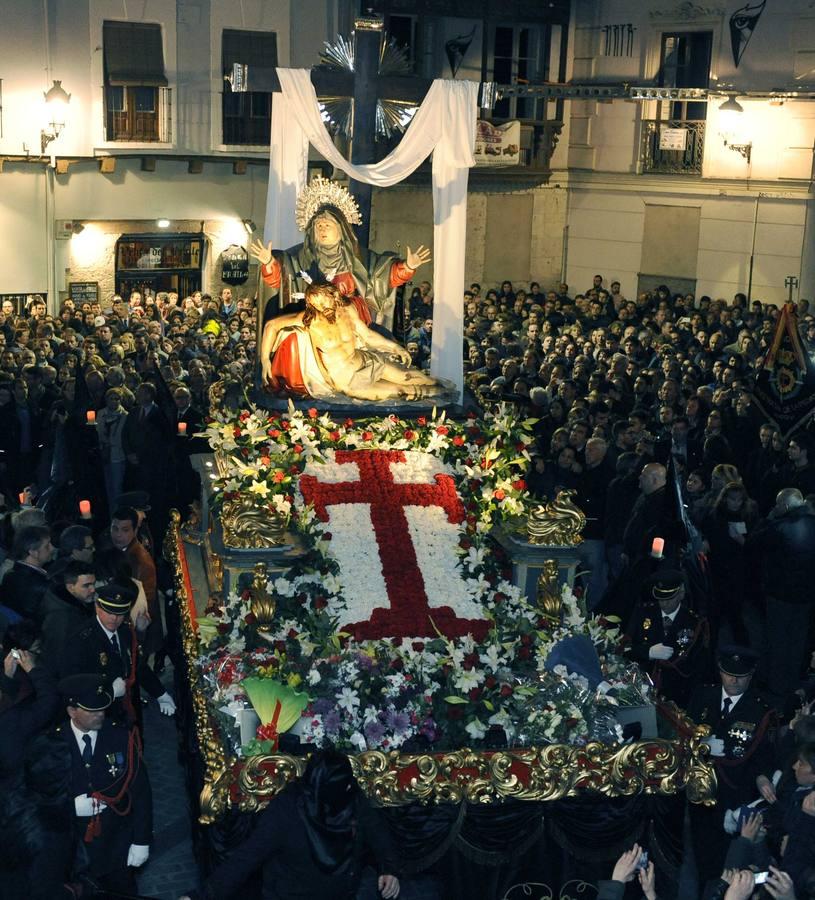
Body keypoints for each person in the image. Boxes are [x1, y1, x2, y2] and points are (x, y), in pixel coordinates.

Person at [180, 749, 400, 900]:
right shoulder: (288, 811)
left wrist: (388, 868)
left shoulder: (350, 796)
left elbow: (376, 831)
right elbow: (247, 857)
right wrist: (201, 895)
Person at [251, 175, 429, 329]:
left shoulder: (359, 258)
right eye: (318, 226)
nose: (322, 229)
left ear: (341, 229)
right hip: (310, 321)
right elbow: (279, 280)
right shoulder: (299, 257)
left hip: (350, 320)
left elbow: (385, 276)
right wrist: (269, 264)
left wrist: (407, 266)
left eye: (327, 225)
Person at [259, 282, 447, 402]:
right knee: (401, 391)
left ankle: (448, 395)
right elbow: (271, 326)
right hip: (348, 380)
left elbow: (368, 336)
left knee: (414, 377)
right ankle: (442, 399)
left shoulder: (347, 310)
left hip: (365, 360)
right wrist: (265, 360)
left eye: (322, 302)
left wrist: (395, 347)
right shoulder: (309, 320)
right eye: (314, 304)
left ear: (333, 296)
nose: (320, 307)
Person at [54, 673, 152, 894]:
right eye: (93, 710)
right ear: (72, 711)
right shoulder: (54, 742)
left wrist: (142, 840)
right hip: (74, 853)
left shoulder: (119, 736)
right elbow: (38, 799)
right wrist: (70, 808)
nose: (101, 715)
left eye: (102, 708)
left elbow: (141, 790)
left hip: (116, 845)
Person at [687, 646, 775, 888]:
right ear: (720, 672)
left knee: (730, 859)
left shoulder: (761, 709)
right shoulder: (703, 696)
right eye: (729, 673)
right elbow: (685, 732)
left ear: (751, 675)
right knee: (701, 851)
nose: (734, 680)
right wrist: (701, 746)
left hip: (735, 792)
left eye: (741, 676)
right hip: (701, 790)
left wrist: (760, 776)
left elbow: (764, 754)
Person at [58, 581, 174, 726]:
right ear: (97, 607)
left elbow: (136, 666)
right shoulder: (81, 640)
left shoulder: (125, 631)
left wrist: (160, 693)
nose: (114, 618)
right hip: (99, 715)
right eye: (109, 612)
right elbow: (71, 684)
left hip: (127, 709)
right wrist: (110, 693)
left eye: (119, 613)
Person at [751, 488, 815, 708]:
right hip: (806, 595)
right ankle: (791, 681)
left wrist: (768, 520)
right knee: (797, 640)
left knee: (778, 639)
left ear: (785, 507)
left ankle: (777, 686)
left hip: (780, 594)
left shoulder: (779, 527)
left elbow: (754, 544)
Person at [626, 570, 709, 708]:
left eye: (669, 598)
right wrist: (648, 652)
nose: (664, 603)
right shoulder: (643, 613)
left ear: (681, 593)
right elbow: (625, 648)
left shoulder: (694, 623)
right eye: (660, 598)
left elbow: (699, 666)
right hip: (640, 686)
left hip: (676, 693)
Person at [39, 560, 97, 665]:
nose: (93, 589)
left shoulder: (76, 604)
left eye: (93, 584)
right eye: (86, 586)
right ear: (71, 587)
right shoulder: (61, 617)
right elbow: (58, 656)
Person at [0, 524, 53, 620]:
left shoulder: (9, 574)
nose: (52, 548)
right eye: (47, 546)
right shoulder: (41, 584)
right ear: (33, 552)